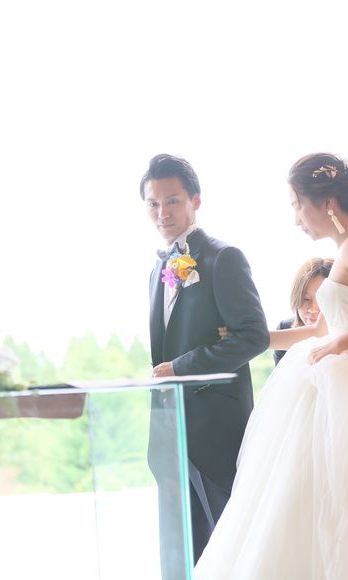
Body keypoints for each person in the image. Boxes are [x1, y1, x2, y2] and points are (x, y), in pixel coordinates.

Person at [194, 153, 348, 579]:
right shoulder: (346, 251)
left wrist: (339, 344)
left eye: (297, 204)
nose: (296, 219)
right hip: (343, 374)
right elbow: (318, 329)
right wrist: (251, 337)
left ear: (326, 203)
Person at [141, 153, 269, 577]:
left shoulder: (223, 258)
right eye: (153, 204)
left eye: (172, 201)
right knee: (182, 559)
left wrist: (182, 366)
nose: (163, 212)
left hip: (217, 433)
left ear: (195, 201)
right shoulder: (157, 269)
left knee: (231, 553)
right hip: (170, 435)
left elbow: (253, 336)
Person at [273, 257, 333, 365]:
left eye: (321, 299)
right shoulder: (285, 328)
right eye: (306, 299)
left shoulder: (347, 332)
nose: (313, 309)